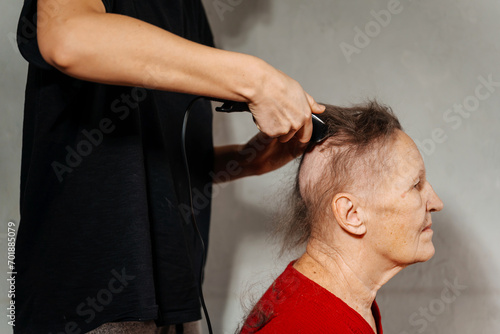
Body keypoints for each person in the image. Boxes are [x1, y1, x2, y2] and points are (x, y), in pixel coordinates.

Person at [14, 0, 325, 333]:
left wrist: (245, 161)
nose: (259, 14)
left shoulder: (189, 10)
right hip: (89, 300)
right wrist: (256, 79)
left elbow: (160, 163)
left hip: (175, 296)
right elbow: (67, 37)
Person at [240, 102, 444, 334]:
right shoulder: (306, 326)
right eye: (416, 184)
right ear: (351, 214)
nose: (436, 203)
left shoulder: (347, 304)